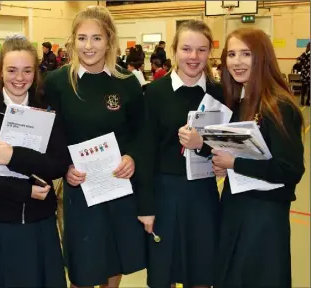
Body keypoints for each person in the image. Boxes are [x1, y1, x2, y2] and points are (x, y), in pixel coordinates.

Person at [44, 6, 149, 287]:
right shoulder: (57, 83)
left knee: (113, 256)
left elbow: (141, 132)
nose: (88, 46)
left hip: (117, 183)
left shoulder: (127, 83)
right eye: (82, 38)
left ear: (109, 40)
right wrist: (64, 167)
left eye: (96, 38)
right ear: (73, 41)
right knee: (83, 260)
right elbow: (51, 136)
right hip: (80, 186)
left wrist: (132, 157)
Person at [0, 35, 68, 287]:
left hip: (40, 219)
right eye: (11, 70)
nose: (19, 78)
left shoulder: (46, 108)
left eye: (27, 70)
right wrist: (25, 190)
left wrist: (14, 157)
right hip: (0, 219)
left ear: (36, 72)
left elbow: (57, 164)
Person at [212, 27, 305, 288]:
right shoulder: (240, 103)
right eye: (231, 54)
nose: (237, 61)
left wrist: (235, 164)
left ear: (262, 57)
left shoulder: (279, 106)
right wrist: (225, 166)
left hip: (263, 216)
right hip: (236, 208)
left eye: (246, 54)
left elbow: (290, 170)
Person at [143, 19, 222, 288]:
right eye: (186, 49)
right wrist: (146, 207)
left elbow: (226, 146)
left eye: (201, 50)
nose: (194, 57)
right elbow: (145, 154)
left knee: (201, 273)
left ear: (209, 52)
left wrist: (209, 150)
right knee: (163, 274)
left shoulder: (219, 93)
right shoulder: (153, 93)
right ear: (175, 50)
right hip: (165, 194)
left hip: (203, 194)